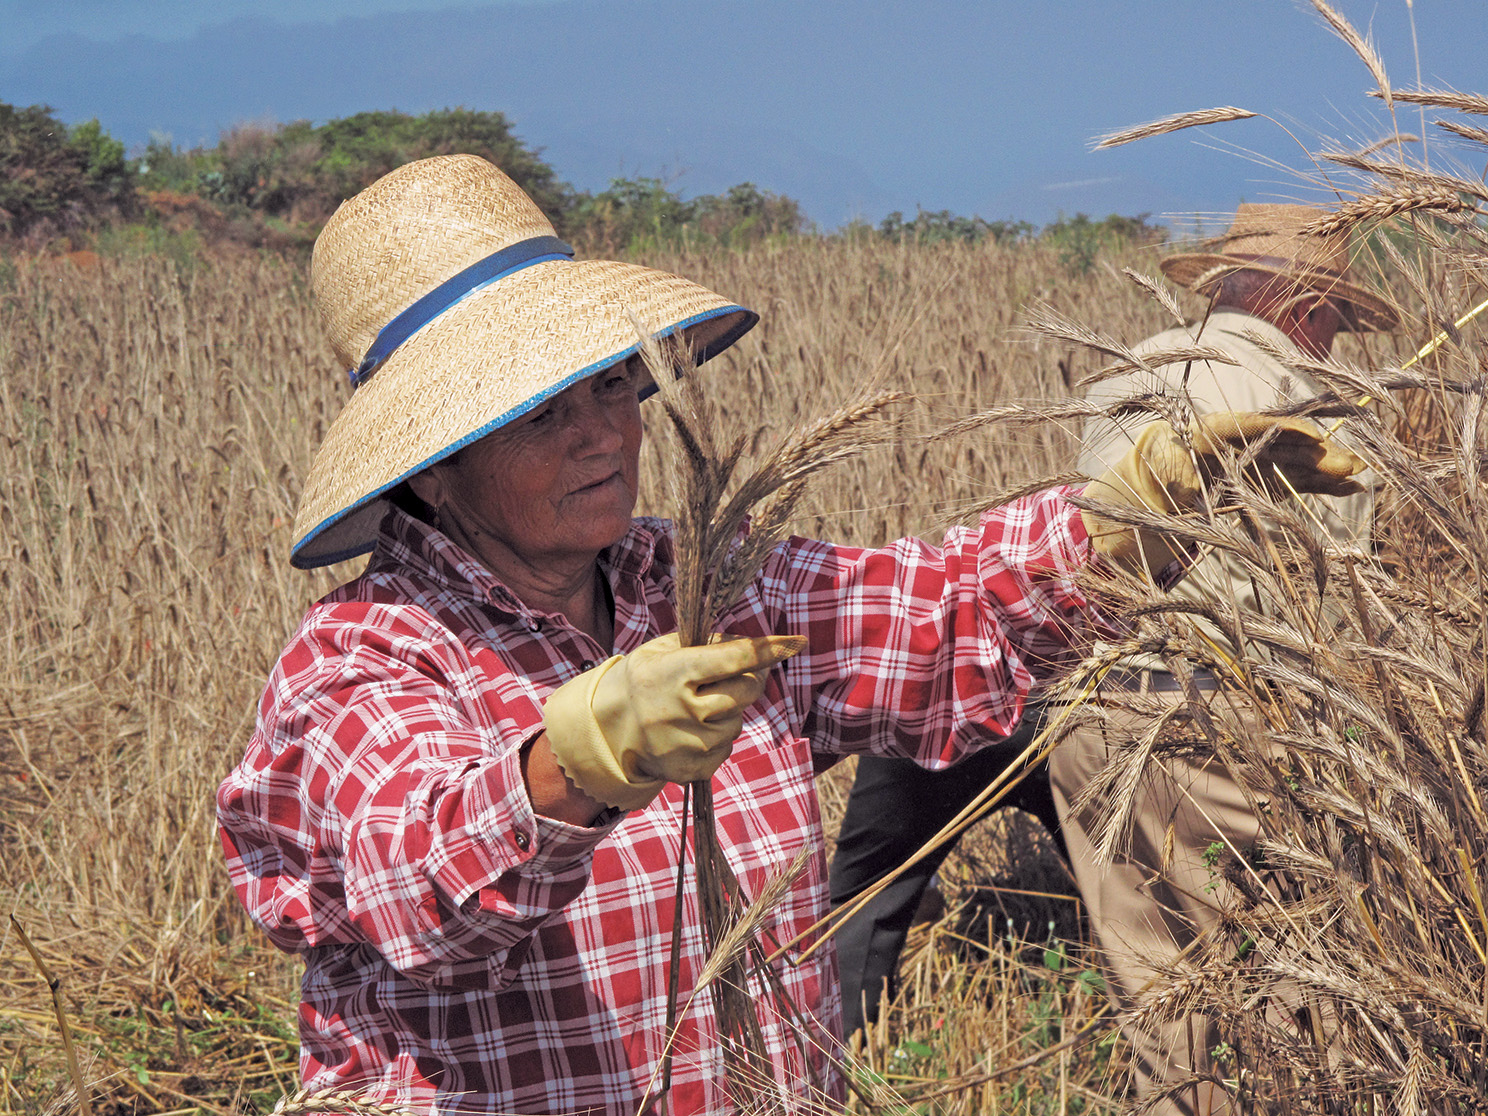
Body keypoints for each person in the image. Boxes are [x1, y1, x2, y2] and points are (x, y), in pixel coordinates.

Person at [215, 159, 1364, 1116]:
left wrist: (1130, 527)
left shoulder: (707, 582)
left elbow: (943, 614)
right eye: (538, 414)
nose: (603, 434)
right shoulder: (362, 660)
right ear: (434, 463)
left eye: (613, 386)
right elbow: (420, 888)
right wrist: (579, 762)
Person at [1049, 202, 1401, 1116]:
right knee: (1306, 983)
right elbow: (1334, 613)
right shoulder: (1322, 412)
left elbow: (1090, 544)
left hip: (1095, 713)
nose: (1336, 344)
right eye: (1335, 324)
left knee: (1158, 1001)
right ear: (1310, 308)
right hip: (1229, 724)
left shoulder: (1134, 372)